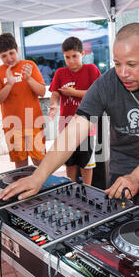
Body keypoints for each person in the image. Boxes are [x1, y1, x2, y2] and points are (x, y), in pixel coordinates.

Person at [0, 23, 139, 211]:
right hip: (123, 164)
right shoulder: (105, 85)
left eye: (132, 64)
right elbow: (74, 130)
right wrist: (39, 176)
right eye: (117, 63)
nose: (123, 73)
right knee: (121, 222)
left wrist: (137, 178)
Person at [48, 36, 101, 185]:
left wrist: (72, 93)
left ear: (82, 54)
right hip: (66, 125)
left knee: (86, 163)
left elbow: (95, 94)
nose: (71, 60)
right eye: (67, 57)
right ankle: (71, 188)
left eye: (75, 56)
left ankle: (87, 189)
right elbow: (55, 93)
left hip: (87, 126)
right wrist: (54, 105)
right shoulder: (60, 73)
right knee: (69, 162)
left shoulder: (91, 69)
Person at [0, 33, 47, 169]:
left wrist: (28, 79)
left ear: (17, 50)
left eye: (11, 53)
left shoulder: (29, 65)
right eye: (4, 56)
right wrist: (9, 84)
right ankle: (23, 189)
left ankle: (44, 188)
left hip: (33, 122)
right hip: (12, 125)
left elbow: (42, 92)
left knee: (40, 161)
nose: (9, 58)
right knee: (21, 165)